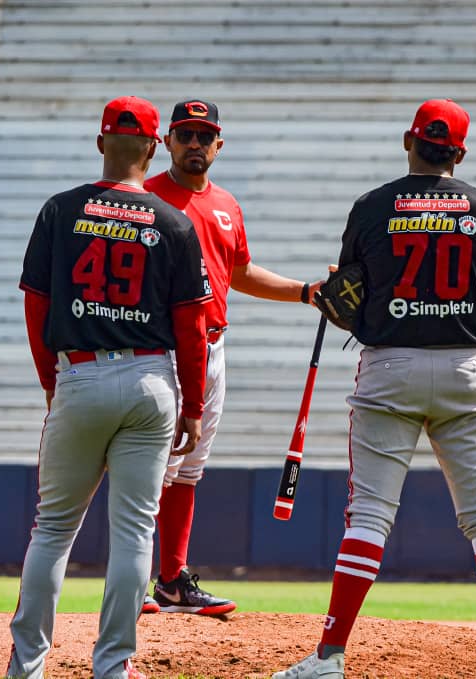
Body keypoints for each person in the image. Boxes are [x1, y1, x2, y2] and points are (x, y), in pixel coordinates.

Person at [273, 99, 476, 679]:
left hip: (390, 366)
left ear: (410, 140)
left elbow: (348, 291)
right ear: (461, 152)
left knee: (369, 516)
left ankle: (329, 657)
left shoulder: (372, 207)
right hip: (465, 368)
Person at [8, 95, 211, 679]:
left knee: (52, 530)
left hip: (80, 371)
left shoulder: (60, 210)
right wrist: (193, 405)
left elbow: (36, 306)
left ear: (101, 143)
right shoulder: (174, 221)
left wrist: (53, 381)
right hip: (150, 379)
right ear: (155, 148)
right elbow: (192, 326)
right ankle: (114, 666)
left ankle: (26, 667)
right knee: (133, 532)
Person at [141, 99, 321, 616]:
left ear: (219, 145)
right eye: (186, 134)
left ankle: (172, 581)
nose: (195, 143)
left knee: (188, 469)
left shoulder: (225, 203)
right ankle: (129, 583)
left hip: (214, 345)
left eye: (205, 136)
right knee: (150, 470)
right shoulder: (147, 197)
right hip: (164, 347)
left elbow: (237, 271)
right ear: (167, 141)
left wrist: (306, 292)